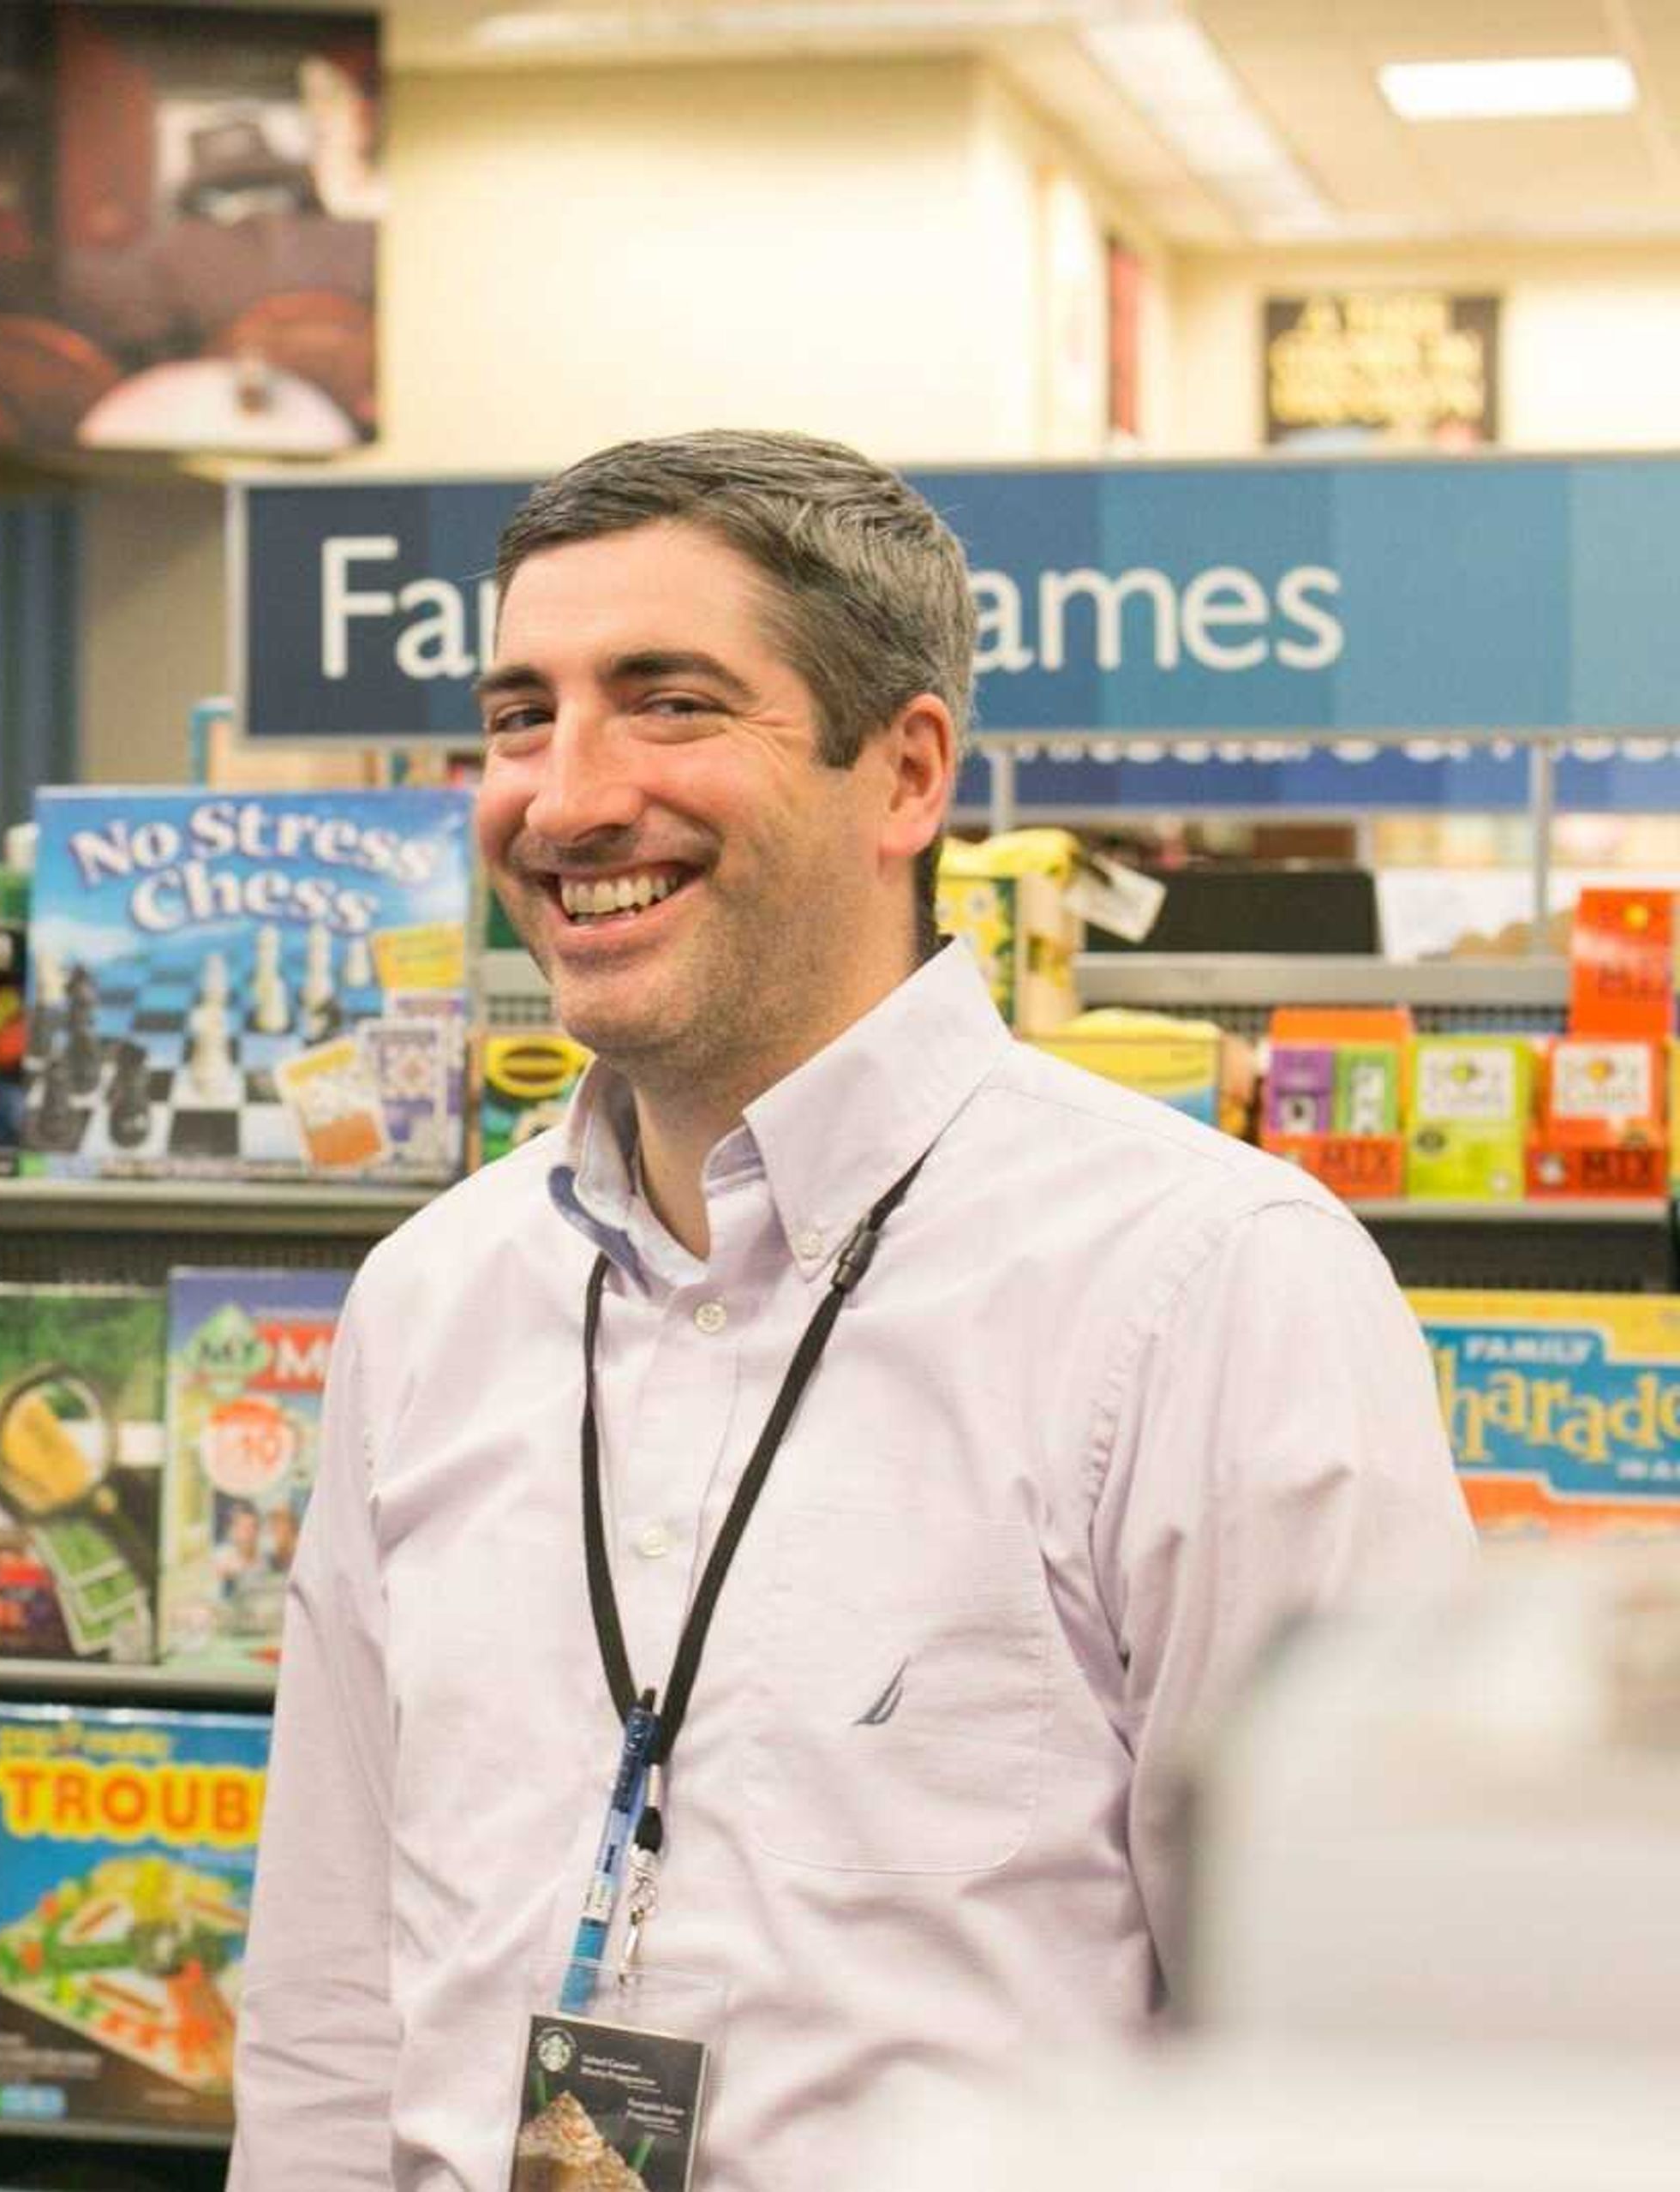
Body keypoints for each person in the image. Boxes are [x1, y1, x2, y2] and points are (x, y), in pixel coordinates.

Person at [228, 429, 1476, 2192]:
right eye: (521, 715)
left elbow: (1370, 2051)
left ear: (904, 775)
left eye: (668, 703)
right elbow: (333, 1998)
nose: (564, 796)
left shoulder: (1206, 1286)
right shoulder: (433, 1298)